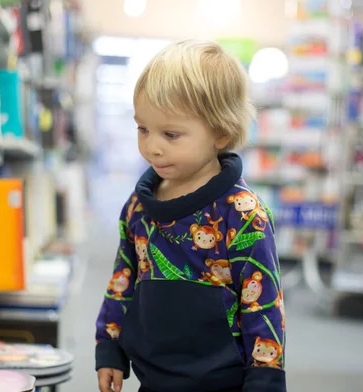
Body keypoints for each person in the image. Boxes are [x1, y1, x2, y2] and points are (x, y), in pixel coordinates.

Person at [95, 40, 286, 392]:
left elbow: (263, 303)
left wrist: (266, 379)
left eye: (171, 134)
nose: (152, 145)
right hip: (150, 381)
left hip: (222, 383)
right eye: (143, 129)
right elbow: (122, 281)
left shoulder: (243, 214)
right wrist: (109, 347)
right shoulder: (139, 207)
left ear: (220, 132)